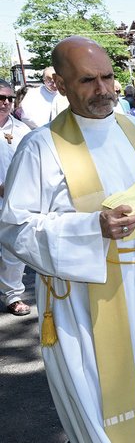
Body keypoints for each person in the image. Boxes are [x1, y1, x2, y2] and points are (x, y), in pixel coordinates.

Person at [0, 36, 135, 442]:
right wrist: (91, 229)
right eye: (87, 80)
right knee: (110, 405)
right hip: (90, 301)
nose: (103, 89)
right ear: (60, 84)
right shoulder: (41, 147)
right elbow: (15, 227)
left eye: (107, 77)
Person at [0, 80, 32, 316]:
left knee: (13, 252)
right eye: (0, 98)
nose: (5, 103)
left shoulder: (22, 131)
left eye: (9, 98)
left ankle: (12, 295)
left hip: (14, 200)